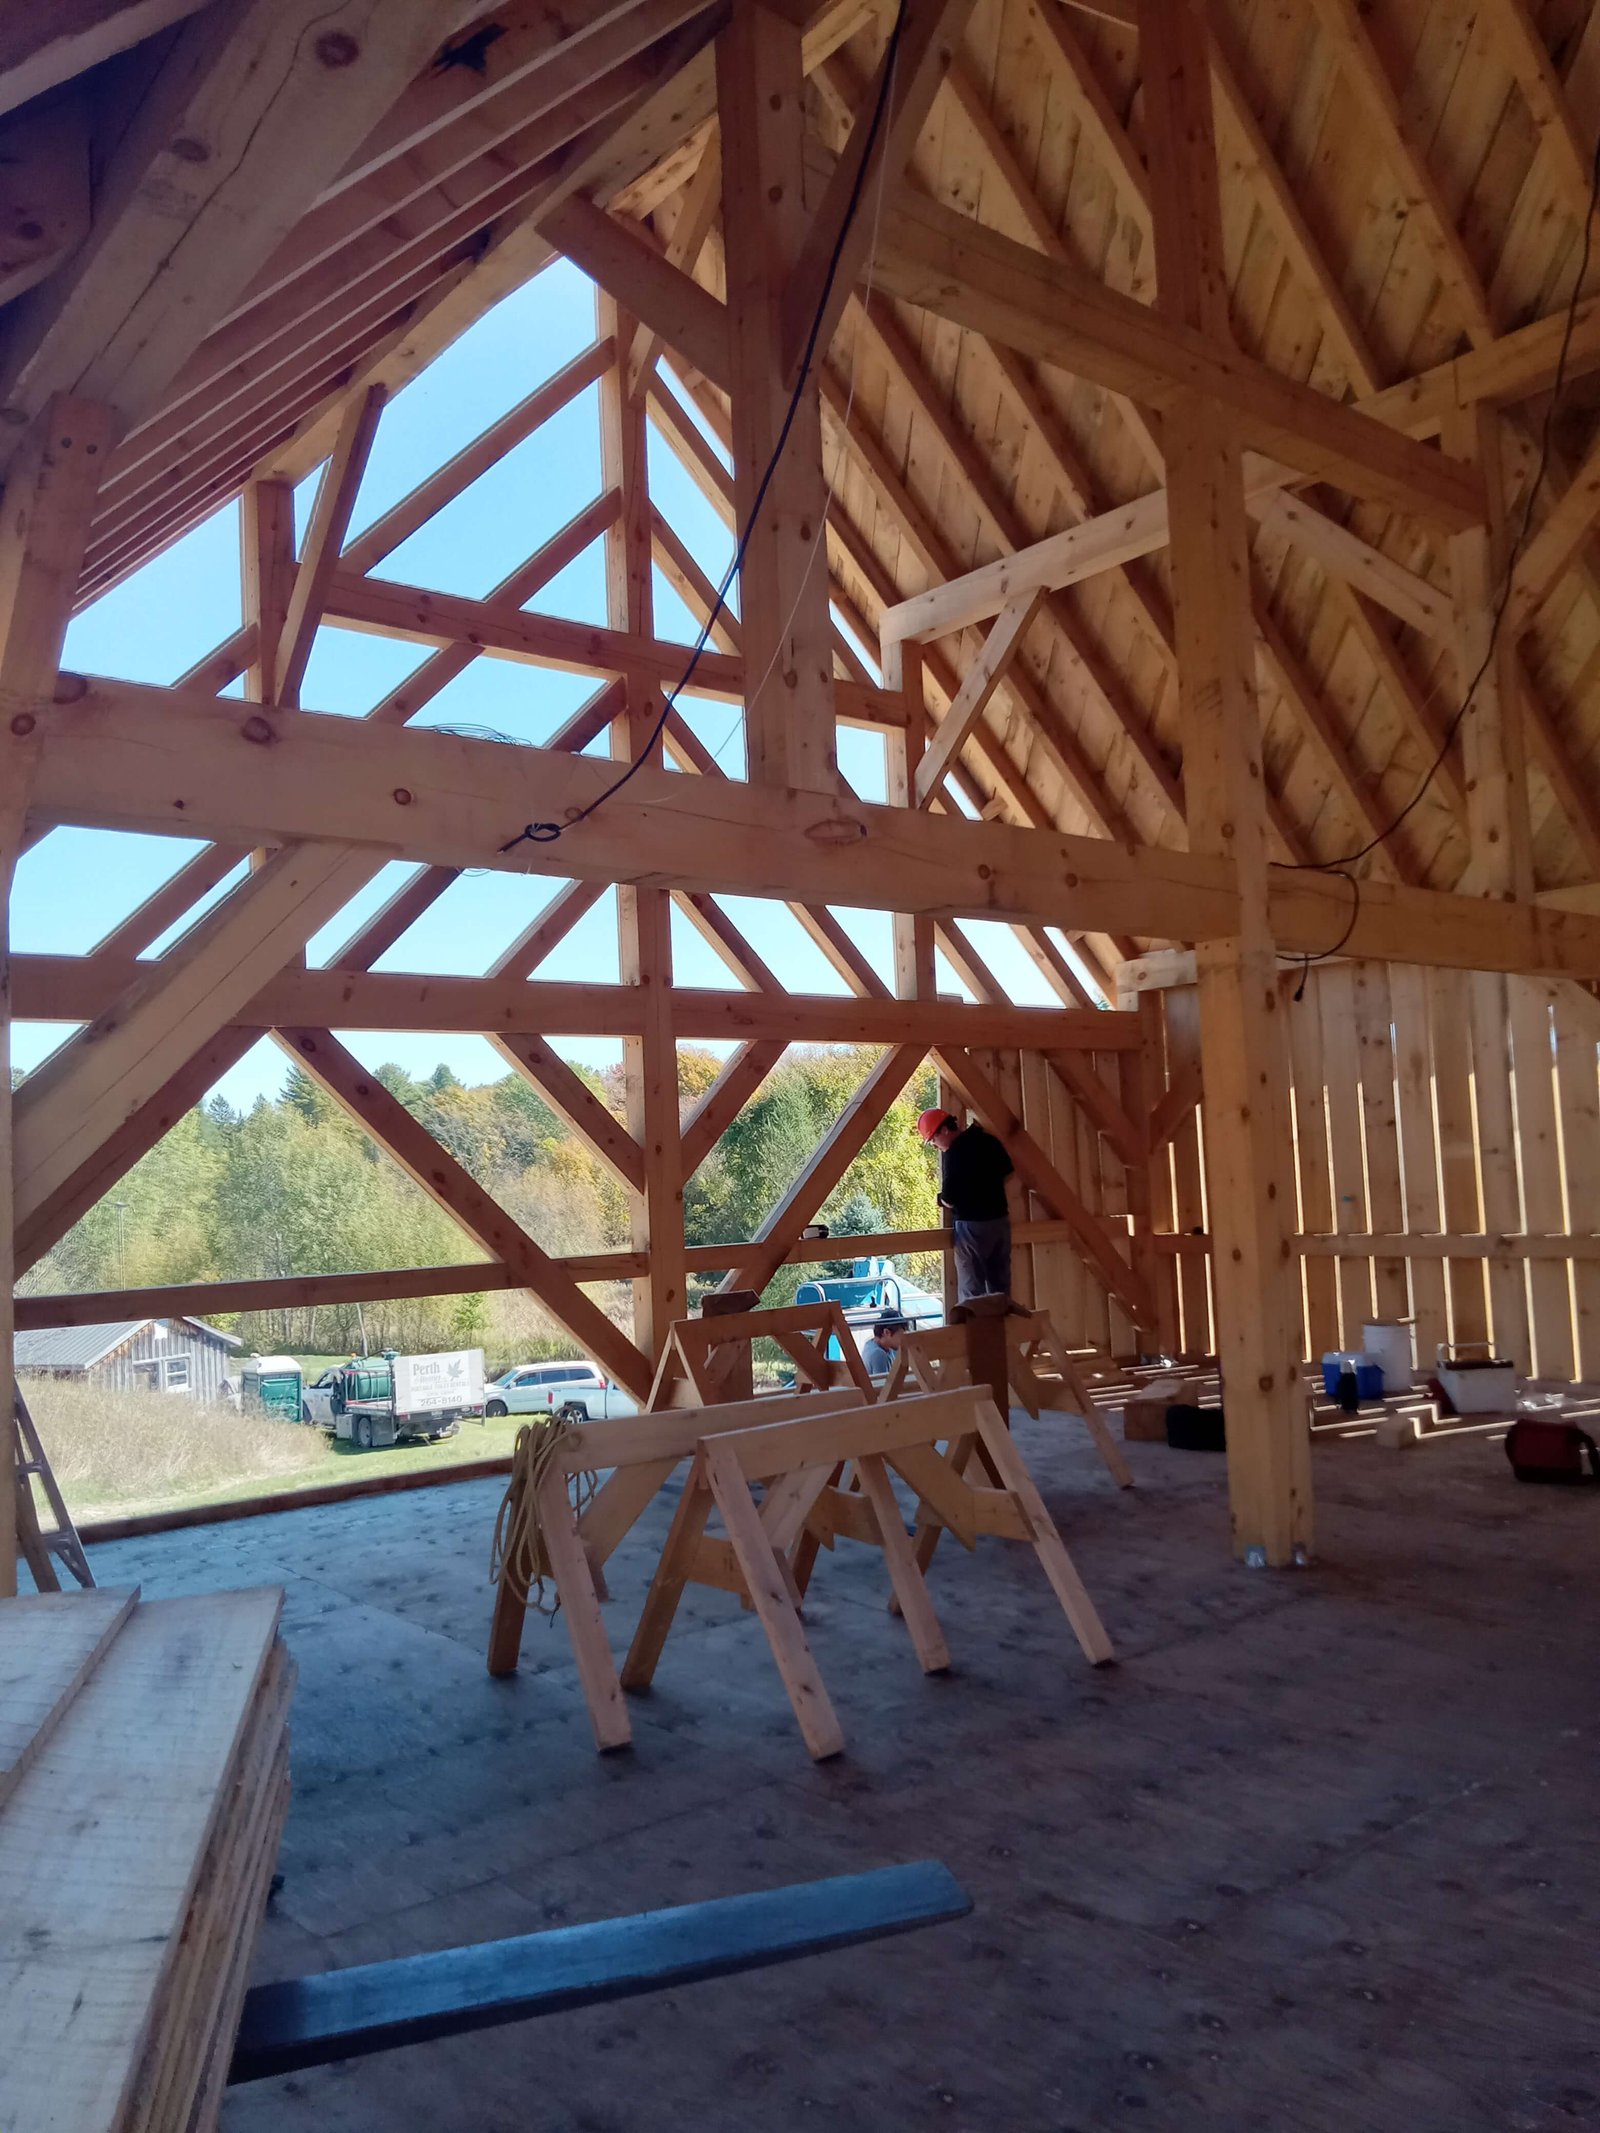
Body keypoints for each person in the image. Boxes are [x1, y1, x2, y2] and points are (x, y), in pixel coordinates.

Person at [917, 1107, 1015, 1302]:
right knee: (1000, 1288)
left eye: (934, 1140)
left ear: (945, 1130)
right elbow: (1008, 1171)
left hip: (971, 1227)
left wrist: (940, 1199)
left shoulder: (954, 1153)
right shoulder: (987, 1140)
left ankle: (975, 1322)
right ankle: (1002, 1319)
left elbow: (949, 1198)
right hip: (1000, 1222)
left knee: (972, 1293)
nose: (935, 1146)